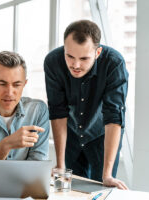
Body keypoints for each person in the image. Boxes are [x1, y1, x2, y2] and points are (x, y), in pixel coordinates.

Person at [44, 20, 128, 189]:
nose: (75, 65)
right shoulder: (53, 62)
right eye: (70, 56)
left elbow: (113, 117)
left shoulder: (114, 63)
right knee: (74, 189)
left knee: (101, 187)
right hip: (71, 133)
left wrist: (108, 175)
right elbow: (58, 112)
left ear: (98, 52)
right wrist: (60, 165)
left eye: (84, 58)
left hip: (101, 135)